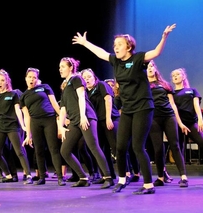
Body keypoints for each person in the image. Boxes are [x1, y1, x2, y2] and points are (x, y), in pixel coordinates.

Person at [72, 23, 177, 194]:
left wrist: (164, 36)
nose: (116, 47)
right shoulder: (116, 61)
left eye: (119, 44)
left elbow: (156, 52)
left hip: (143, 107)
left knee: (137, 146)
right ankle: (121, 180)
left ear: (129, 46)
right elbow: (102, 54)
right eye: (114, 45)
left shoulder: (138, 59)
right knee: (120, 147)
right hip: (127, 109)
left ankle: (148, 185)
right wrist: (85, 43)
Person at [57, 57, 114, 189]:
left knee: (93, 146)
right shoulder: (65, 87)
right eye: (59, 67)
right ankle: (83, 177)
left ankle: (108, 177)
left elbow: (81, 96)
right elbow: (63, 108)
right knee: (65, 150)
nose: (60, 69)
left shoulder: (77, 79)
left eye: (63, 67)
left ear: (71, 67)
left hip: (86, 117)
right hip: (75, 120)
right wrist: (61, 126)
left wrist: (83, 116)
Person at [170, 68, 203, 185]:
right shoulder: (172, 94)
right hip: (178, 123)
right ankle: (183, 177)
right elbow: (174, 110)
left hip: (191, 123)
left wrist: (200, 119)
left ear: (183, 76)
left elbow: (196, 105)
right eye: (173, 75)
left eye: (178, 74)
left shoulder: (192, 90)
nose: (175, 76)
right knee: (179, 149)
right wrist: (179, 124)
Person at [0, 69, 33, 184]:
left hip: (13, 126)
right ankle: (8, 175)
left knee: (19, 151)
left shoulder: (13, 94)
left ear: (7, 81)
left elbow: (18, 111)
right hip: (0, 127)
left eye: (2, 80)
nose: (0, 83)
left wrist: (23, 126)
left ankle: (29, 175)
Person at [20, 67, 66, 186]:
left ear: (37, 79)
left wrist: (62, 119)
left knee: (53, 148)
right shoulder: (23, 96)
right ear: (26, 78)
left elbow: (55, 104)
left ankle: (60, 177)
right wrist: (28, 134)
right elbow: (27, 116)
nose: (32, 79)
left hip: (49, 119)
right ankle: (41, 177)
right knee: (38, 150)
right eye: (30, 77)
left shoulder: (44, 87)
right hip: (35, 122)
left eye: (34, 77)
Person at [147, 60, 188, 187]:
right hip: (154, 118)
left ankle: (183, 177)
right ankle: (160, 177)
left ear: (155, 68)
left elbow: (172, 104)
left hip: (169, 116)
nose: (149, 68)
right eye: (147, 66)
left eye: (152, 66)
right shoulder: (143, 85)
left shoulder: (164, 84)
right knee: (158, 148)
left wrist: (180, 122)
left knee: (175, 145)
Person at [81, 68, 119, 181]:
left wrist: (108, 118)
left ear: (94, 77)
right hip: (97, 123)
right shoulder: (85, 93)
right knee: (102, 149)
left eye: (89, 77)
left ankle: (126, 173)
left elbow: (108, 99)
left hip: (109, 119)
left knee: (116, 147)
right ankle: (107, 175)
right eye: (84, 78)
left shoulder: (101, 85)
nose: (87, 80)